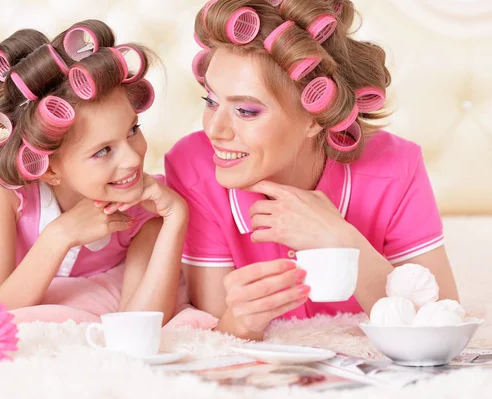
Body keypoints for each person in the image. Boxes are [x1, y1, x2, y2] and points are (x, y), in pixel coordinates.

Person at [164, 0, 459, 340]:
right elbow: (214, 338)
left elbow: (444, 324)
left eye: (245, 111)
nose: (215, 129)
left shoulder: (395, 167)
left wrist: (341, 240)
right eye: (211, 101)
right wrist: (239, 323)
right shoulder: (194, 166)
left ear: (316, 115)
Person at [0, 19, 205, 327]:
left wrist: (176, 215)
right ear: (50, 168)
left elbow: (142, 322)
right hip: (20, 247)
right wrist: (60, 234)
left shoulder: (141, 204)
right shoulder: (4, 184)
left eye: (133, 130)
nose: (133, 161)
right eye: (103, 150)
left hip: (92, 261)